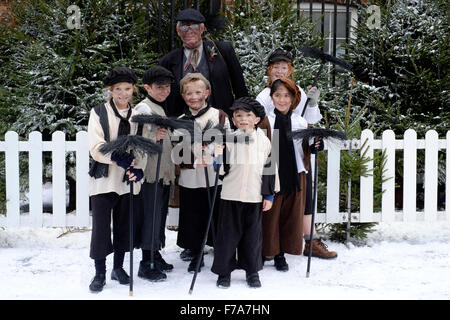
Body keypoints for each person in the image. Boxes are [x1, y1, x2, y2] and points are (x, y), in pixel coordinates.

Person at [256, 48, 337, 260]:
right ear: (269, 70)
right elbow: (262, 124)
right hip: (275, 154)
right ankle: (269, 247)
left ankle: (310, 241)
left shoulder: (297, 90)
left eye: (284, 67)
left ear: (290, 70)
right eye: (276, 67)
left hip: (297, 155)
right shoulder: (264, 95)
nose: (280, 71)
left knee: (303, 200)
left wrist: (311, 102)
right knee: (273, 203)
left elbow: (309, 121)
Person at [87, 66, 146, 292]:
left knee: (124, 224)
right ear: (110, 90)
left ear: (134, 90)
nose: (123, 94)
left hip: (126, 178)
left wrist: (137, 168)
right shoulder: (99, 112)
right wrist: (117, 157)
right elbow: (95, 145)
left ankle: (118, 267)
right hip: (104, 178)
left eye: (127, 89)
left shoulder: (138, 117)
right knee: (101, 226)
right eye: (118, 89)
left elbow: (142, 146)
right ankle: (100, 272)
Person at [262, 77, 325, 272]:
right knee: (270, 214)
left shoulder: (300, 122)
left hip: (295, 174)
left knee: (289, 215)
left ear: (293, 98)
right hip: (272, 173)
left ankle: (281, 253)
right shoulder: (266, 121)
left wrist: (316, 145)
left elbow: (311, 146)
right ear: (272, 98)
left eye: (286, 96)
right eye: (277, 95)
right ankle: (266, 251)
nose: (282, 100)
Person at [211, 97, 275, 289]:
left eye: (248, 115)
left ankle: (251, 270)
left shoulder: (264, 142)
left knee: (252, 236)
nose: (243, 118)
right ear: (233, 119)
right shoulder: (228, 140)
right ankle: (224, 271)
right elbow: (220, 169)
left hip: (254, 196)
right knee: (227, 235)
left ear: (256, 119)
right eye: (239, 115)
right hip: (231, 194)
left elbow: (270, 170)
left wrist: (269, 195)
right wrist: (218, 155)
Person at [171, 73, 230, 273]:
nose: (194, 97)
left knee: (215, 213)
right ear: (183, 95)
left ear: (207, 93)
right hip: (191, 178)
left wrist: (214, 154)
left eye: (198, 92)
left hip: (214, 177)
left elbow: (228, 142)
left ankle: (218, 249)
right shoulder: (180, 121)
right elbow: (177, 152)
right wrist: (194, 158)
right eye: (189, 93)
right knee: (193, 215)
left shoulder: (219, 116)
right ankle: (196, 251)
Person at [159, 8, 248, 118]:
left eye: (194, 26)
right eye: (184, 26)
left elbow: (239, 87)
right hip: (184, 124)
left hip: (220, 120)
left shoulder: (223, 51)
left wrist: (242, 115)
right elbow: (161, 95)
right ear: (178, 31)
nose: (189, 30)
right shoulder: (168, 61)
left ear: (202, 28)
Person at [134, 66, 176, 282]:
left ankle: (155, 254)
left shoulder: (158, 107)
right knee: (150, 215)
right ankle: (146, 262)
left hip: (163, 171)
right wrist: (153, 138)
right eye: (159, 87)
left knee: (159, 215)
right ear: (147, 87)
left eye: (167, 87)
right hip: (150, 172)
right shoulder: (143, 109)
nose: (164, 91)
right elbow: (135, 139)